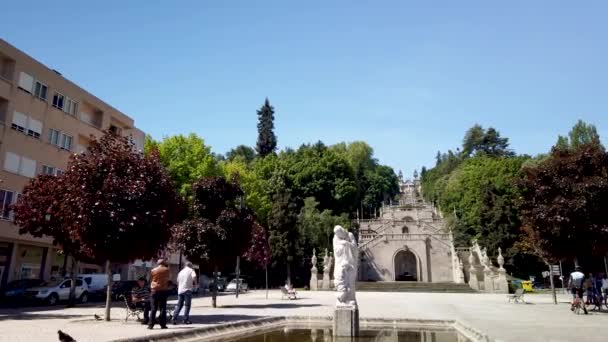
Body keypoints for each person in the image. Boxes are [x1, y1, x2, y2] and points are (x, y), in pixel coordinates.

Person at [149, 259, 171, 330]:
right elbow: (169, 279)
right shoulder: (167, 270)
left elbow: (150, 279)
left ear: (157, 263)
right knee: (162, 308)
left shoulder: (153, 270)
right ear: (164, 263)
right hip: (163, 290)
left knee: (153, 308)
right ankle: (162, 324)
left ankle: (151, 325)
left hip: (154, 290)